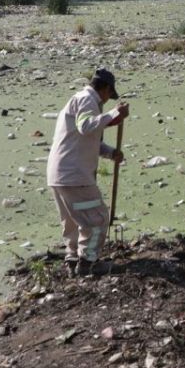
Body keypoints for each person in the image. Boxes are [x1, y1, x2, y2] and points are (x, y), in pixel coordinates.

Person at [47, 68, 129, 277]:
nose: (108, 100)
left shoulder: (80, 102)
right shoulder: (87, 100)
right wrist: (113, 114)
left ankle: (72, 259)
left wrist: (112, 153)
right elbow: (85, 127)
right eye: (109, 95)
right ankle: (88, 263)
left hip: (59, 174)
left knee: (72, 221)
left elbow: (89, 141)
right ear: (105, 88)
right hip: (74, 176)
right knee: (98, 218)